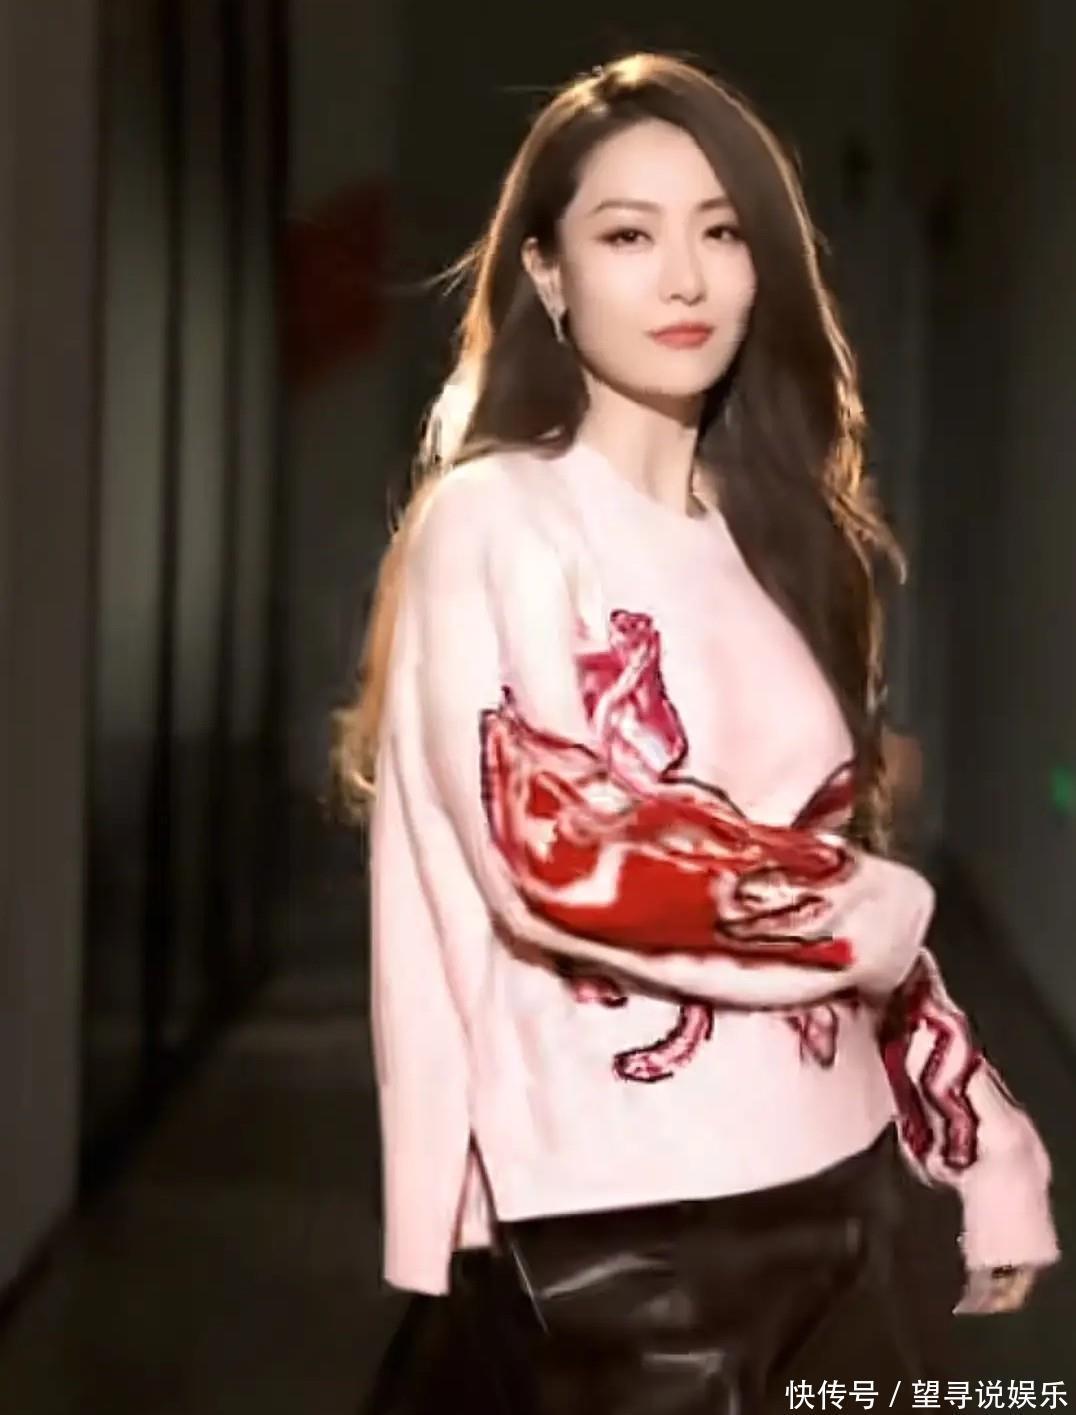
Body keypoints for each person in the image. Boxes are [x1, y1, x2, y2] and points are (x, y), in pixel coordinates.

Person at [335, 52, 1058, 1414]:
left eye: (721, 233)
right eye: (628, 235)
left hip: (840, 1200)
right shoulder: (496, 519)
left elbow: (830, 871)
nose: (685, 278)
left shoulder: (790, 544)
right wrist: (868, 907)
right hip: (621, 1226)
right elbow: (556, 846)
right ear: (548, 274)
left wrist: (981, 1142)